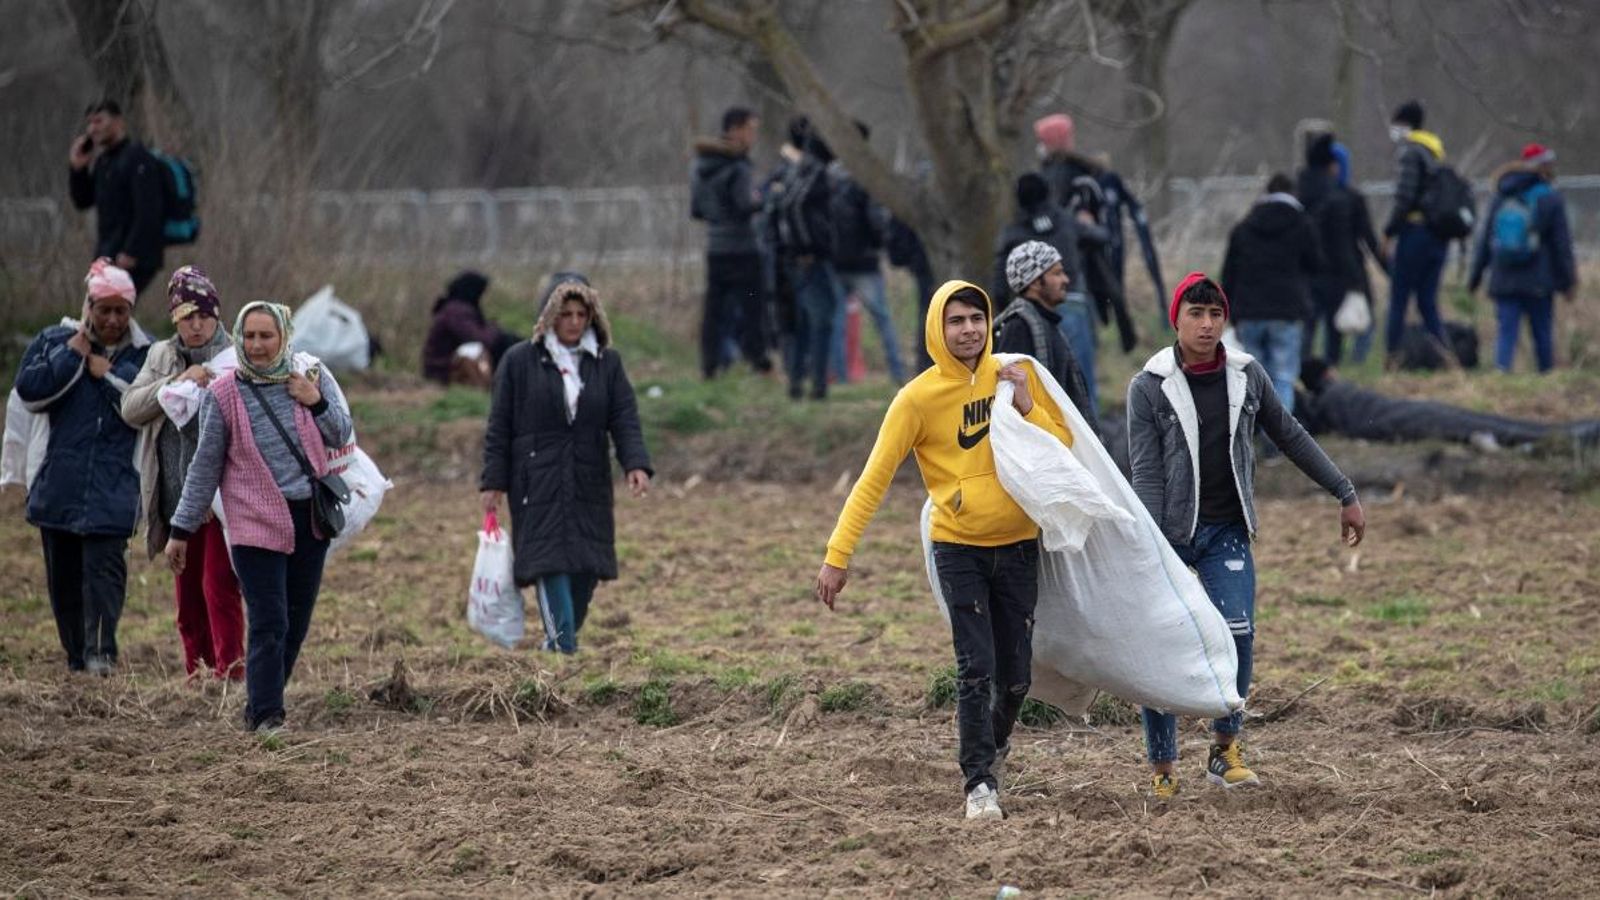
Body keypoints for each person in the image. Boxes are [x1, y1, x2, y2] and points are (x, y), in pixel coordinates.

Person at [815, 281, 1074, 821]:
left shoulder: (1013, 375)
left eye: (977, 319)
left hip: (1019, 546)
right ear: (938, 328)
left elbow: (1063, 447)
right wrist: (838, 555)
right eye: (956, 321)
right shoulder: (916, 399)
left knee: (1017, 676)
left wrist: (1029, 405)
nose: (969, 330)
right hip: (959, 549)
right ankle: (978, 784)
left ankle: (994, 749)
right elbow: (873, 480)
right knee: (976, 668)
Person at [1126, 273, 1365, 798]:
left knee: (1238, 633)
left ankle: (1225, 749)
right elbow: (1145, 471)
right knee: (1161, 646)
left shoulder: (1246, 376)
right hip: (1168, 535)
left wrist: (1344, 491)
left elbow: (1290, 435)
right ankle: (1163, 769)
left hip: (1226, 531)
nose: (1207, 325)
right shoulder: (1149, 385)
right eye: (1196, 314)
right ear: (1176, 319)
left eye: (1215, 315)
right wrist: (1150, 544)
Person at [164, 301, 353, 731]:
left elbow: (341, 433)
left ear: (284, 337)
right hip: (253, 524)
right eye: (249, 336)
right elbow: (204, 468)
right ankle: (267, 716)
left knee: (296, 624)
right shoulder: (223, 395)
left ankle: (260, 700)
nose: (257, 345)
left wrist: (316, 401)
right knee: (270, 621)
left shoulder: (308, 377)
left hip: (310, 520)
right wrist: (181, 529)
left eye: (266, 336)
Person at [480, 273, 652, 654]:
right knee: (550, 563)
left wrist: (635, 464)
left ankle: (558, 642)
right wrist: (493, 482)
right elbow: (499, 426)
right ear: (550, 315)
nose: (574, 322)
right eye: (565, 314)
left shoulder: (607, 363)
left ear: (592, 317)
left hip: (589, 478)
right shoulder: (519, 361)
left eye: (581, 314)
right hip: (536, 481)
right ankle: (563, 649)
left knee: (586, 569)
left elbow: (624, 418)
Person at [14, 259, 152, 675]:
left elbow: (146, 406)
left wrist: (106, 375)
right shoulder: (53, 341)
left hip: (115, 487)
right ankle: (76, 657)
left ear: (131, 311)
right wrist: (72, 354)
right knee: (64, 581)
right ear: (88, 307)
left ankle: (101, 655)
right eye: (103, 310)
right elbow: (30, 391)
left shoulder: (146, 353)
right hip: (60, 484)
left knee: (105, 576)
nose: (112, 320)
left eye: (120, 311)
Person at [122, 266, 245, 680]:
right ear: (174, 319)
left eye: (204, 316)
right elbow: (130, 408)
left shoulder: (234, 357)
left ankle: (230, 675)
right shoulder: (161, 356)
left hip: (219, 502)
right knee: (188, 600)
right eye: (186, 317)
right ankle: (198, 676)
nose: (196, 325)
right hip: (175, 501)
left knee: (219, 588)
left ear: (217, 314)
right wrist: (176, 382)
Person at [992, 173, 1107, 420]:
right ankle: (1091, 433)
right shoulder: (1066, 221)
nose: (1063, 277)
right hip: (1074, 306)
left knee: (1041, 389)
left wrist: (1007, 309)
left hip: (1030, 310)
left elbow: (999, 287)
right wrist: (1088, 222)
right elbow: (1101, 238)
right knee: (1082, 388)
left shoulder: (1012, 232)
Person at [1295, 358, 1598, 451]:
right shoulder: (1336, 395)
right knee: (1485, 424)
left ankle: (1568, 435)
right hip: (1410, 415)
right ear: (1327, 374)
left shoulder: (1327, 401)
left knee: (1483, 424)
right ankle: (1566, 436)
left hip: (1407, 416)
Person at [1035, 114, 1166, 322]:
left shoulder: (1075, 172)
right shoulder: (1058, 174)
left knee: (1100, 297)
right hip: (1076, 251)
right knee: (1090, 299)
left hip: (1086, 247)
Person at [1468, 144, 1578, 374]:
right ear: (1543, 167)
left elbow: (1485, 240)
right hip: (1539, 279)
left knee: (1506, 332)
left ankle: (1501, 373)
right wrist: (1568, 282)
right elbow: (1561, 245)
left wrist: (1475, 278)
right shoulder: (1550, 198)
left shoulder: (1501, 195)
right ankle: (1545, 375)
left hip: (1504, 277)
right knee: (1542, 332)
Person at [1221, 173, 1323, 415]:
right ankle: (1278, 433)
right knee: (1283, 377)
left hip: (1249, 312)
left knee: (1252, 378)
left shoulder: (1244, 227)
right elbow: (1317, 264)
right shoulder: (1302, 224)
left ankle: (1252, 428)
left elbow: (1229, 274)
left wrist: (1229, 312)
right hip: (1286, 312)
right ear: (1293, 193)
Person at [767, 117, 846, 400]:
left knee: (802, 322)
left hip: (796, 258)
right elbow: (796, 206)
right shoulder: (816, 172)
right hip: (811, 259)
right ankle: (817, 386)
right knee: (820, 321)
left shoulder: (796, 170)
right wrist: (807, 249)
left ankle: (798, 382)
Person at [691, 106, 771, 379]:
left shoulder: (699, 165)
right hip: (743, 247)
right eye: (750, 130)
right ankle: (759, 362)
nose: (753, 136)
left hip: (715, 247)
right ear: (735, 130)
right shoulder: (739, 166)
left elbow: (697, 209)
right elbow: (745, 205)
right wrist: (765, 199)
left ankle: (709, 366)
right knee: (753, 308)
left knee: (714, 311)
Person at [830, 121, 907, 385]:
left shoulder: (829, 175)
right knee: (882, 319)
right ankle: (897, 373)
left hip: (836, 260)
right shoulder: (866, 178)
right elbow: (876, 220)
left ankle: (841, 377)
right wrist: (880, 243)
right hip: (865, 261)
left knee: (838, 322)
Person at [993, 241, 1098, 434]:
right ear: (1034, 282)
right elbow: (1011, 404)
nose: (1066, 279)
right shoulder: (1018, 328)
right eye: (1057, 273)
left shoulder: (1047, 325)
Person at [1296, 134, 1385, 365]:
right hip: (1339, 272)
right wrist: (1386, 268)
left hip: (1307, 271)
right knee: (1339, 327)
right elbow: (1364, 239)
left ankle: (1302, 366)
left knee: (1309, 324)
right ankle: (1338, 367)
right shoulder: (1348, 198)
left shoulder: (1299, 194)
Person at [67, 100, 165, 297]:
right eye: (90, 123)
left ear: (119, 122)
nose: (92, 129)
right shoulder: (104, 161)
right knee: (102, 309)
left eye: (99, 121)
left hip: (133, 256)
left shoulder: (137, 158)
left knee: (110, 307)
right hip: (109, 253)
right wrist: (78, 169)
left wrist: (131, 252)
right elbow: (83, 201)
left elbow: (149, 210)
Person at [1381, 100, 1449, 356]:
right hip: (1437, 235)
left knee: (1399, 298)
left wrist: (1389, 231)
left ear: (1405, 124)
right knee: (1427, 301)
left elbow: (1405, 198)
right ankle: (1445, 355)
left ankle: (1392, 356)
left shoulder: (1410, 152)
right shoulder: (1435, 152)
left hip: (1414, 233)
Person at [421, 271, 520, 386]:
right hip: (442, 368)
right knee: (504, 342)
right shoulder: (456, 312)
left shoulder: (454, 308)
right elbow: (480, 338)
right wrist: (495, 330)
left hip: (443, 365)